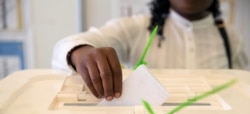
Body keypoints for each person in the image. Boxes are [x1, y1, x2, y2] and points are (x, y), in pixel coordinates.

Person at [51, 0, 248, 101]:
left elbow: (242, 95)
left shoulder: (230, 37)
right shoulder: (137, 28)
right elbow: (66, 46)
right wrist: (80, 51)